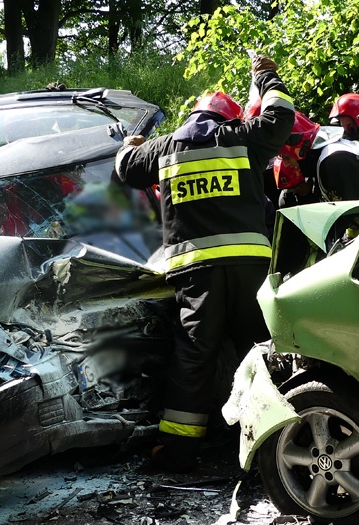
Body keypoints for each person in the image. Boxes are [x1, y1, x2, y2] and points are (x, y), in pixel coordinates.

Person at [114, 54, 295, 472]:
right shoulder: (242, 137)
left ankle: (178, 452)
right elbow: (281, 117)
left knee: (193, 360)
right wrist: (265, 74)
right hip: (250, 269)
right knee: (260, 352)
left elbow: (125, 169)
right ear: (227, 117)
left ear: (194, 114)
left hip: (196, 278)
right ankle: (273, 447)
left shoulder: (166, 147)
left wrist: (130, 145)